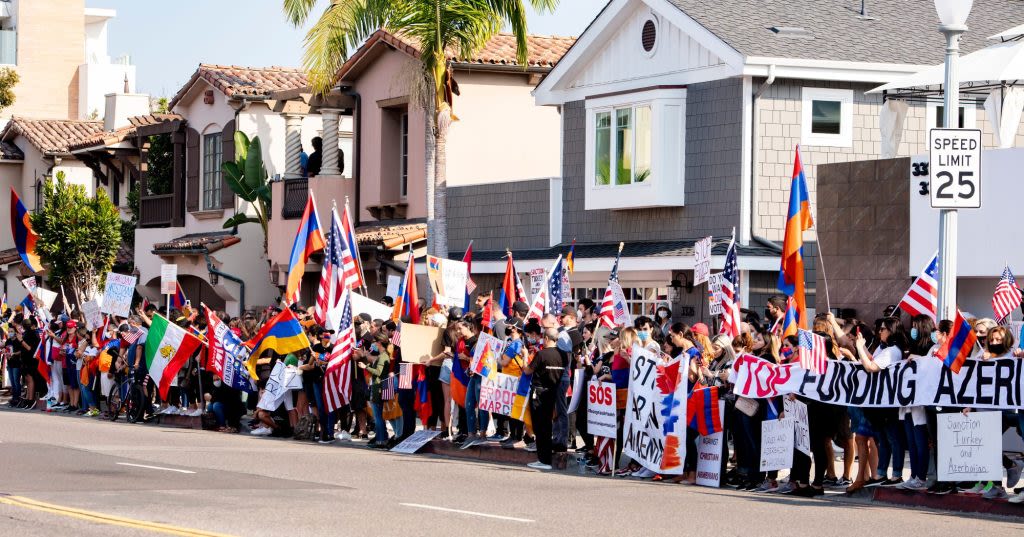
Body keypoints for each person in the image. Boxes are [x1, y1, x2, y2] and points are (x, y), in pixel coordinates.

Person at [524, 328, 566, 470]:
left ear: (546, 339)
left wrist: (524, 356)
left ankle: (544, 460)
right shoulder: (563, 355)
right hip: (552, 393)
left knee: (540, 427)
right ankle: (545, 459)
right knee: (547, 427)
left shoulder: (541, 354)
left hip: (539, 393)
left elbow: (527, 370)